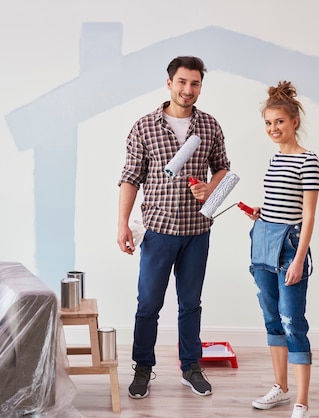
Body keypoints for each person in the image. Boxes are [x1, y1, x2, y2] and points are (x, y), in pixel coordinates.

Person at [117, 56, 230, 399]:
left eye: (195, 84)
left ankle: (190, 367)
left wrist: (211, 188)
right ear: (169, 83)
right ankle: (143, 368)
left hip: (197, 231)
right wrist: (122, 223)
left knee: (190, 303)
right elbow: (130, 177)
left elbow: (223, 169)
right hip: (158, 230)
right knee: (148, 304)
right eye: (182, 82)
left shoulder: (209, 126)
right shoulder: (145, 126)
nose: (188, 89)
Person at [244, 81, 319, 418]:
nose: (273, 128)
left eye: (279, 122)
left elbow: (308, 215)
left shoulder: (309, 162)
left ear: (294, 123)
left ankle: (302, 401)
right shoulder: (275, 160)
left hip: (290, 247)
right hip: (263, 240)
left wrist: (299, 259)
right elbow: (280, 204)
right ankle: (281, 389)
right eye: (268, 123)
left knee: (293, 322)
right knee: (272, 320)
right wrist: (261, 212)